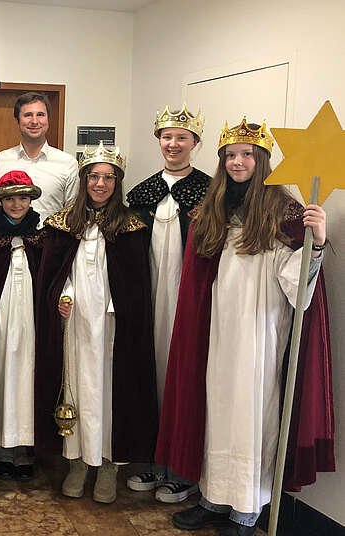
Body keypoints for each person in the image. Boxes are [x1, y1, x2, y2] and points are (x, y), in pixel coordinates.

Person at [155, 119, 334, 536]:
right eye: (230, 155)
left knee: (255, 413)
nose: (237, 162)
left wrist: (318, 240)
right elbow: (199, 279)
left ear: (263, 160)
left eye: (246, 155)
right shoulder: (212, 210)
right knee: (217, 409)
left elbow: (298, 282)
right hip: (218, 331)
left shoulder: (285, 213)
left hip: (262, 330)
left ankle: (247, 508)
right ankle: (214, 497)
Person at [35, 142, 158, 504]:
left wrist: (117, 307)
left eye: (107, 178)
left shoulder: (132, 226)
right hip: (74, 324)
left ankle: (107, 463)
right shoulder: (62, 224)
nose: (100, 184)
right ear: (84, 179)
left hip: (112, 327)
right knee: (75, 387)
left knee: (108, 390)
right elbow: (55, 273)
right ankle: (77, 462)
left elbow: (134, 284)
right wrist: (63, 294)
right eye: (94, 176)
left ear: (117, 182)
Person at [125, 105, 210, 503]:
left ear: (195, 142)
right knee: (150, 374)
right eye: (166, 137)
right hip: (148, 300)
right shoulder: (141, 193)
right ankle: (155, 459)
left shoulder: (212, 193)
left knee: (185, 378)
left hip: (190, 302)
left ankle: (183, 468)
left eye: (181, 137)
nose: (172, 144)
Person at [0, 170, 45, 482]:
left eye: (22, 197)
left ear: (31, 199)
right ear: (0, 201)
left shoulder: (43, 234)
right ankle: (2, 448)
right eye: (9, 198)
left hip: (33, 319)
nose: (16, 204)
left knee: (30, 378)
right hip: (0, 319)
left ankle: (26, 449)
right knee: (1, 377)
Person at [0, 92, 78, 222]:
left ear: (48, 119)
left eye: (40, 115)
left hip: (54, 241)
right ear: (18, 121)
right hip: (9, 241)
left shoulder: (68, 163)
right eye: (28, 115)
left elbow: (72, 213)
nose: (34, 121)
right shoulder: (1, 160)